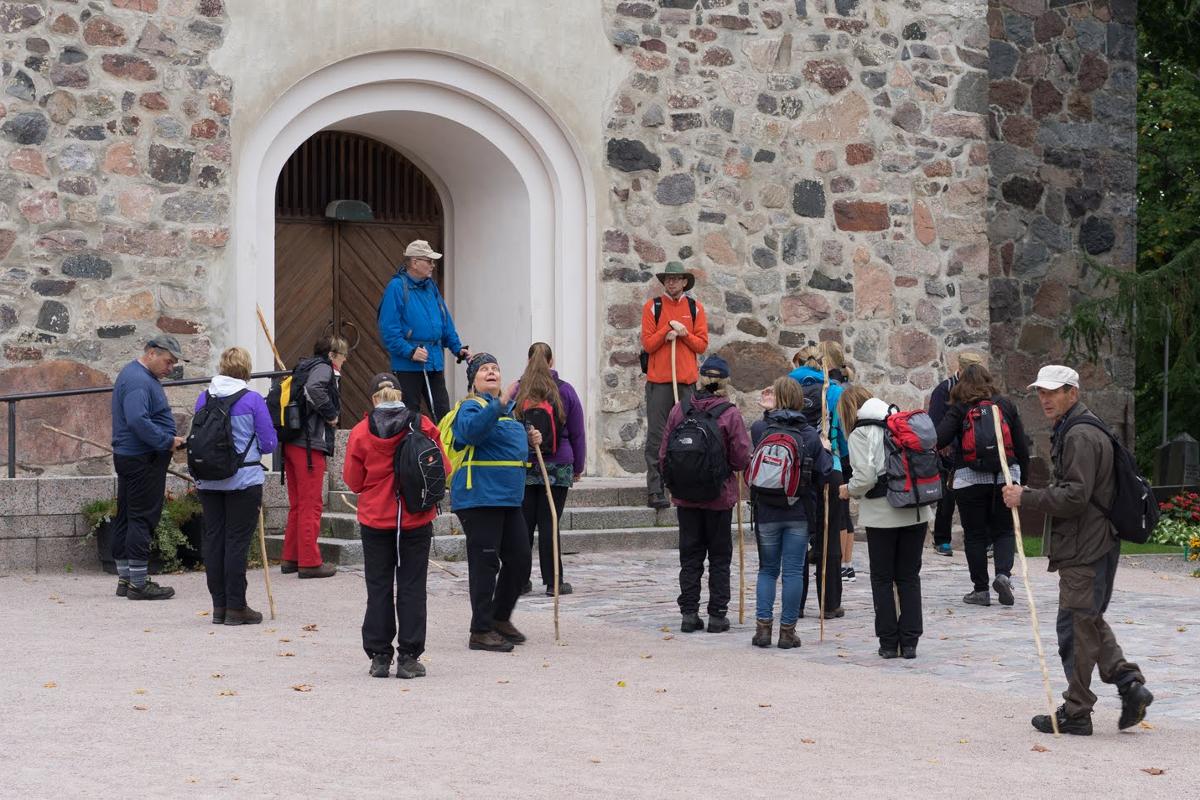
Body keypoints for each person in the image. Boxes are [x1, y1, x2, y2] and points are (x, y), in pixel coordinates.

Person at [1002, 365, 1153, 735]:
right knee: (1085, 621)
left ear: (1073, 392)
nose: (1045, 399)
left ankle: (1078, 710)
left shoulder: (1081, 434)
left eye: (1053, 391)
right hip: (1090, 542)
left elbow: (1075, 496)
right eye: (1041, 392)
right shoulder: (1079, 427)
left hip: (1087, 544)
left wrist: (1026, 496)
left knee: (1074, 628)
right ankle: (1129, 684)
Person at [343, 373, 449, 679]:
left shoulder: (362, 431)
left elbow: (353, 480)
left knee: (378, 587)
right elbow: (443, 468)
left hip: (376, 518)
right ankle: (408, 657)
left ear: (373, 398)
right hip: (415, 517)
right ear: (402, 394)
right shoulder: (423, 424)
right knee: (412, 587)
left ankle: (379, 656)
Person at [450, 353, 540, 652]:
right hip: (479, 498)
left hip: (508, 498)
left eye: (495, 369)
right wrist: (499, 405)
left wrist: (530, 440)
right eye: (484, 369)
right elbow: (471, 433)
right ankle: (481, 630)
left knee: (520, 559)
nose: (491, 372)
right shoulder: (470, 407)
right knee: (485, 563)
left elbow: (505, 448)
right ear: (473, 380)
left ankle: (500, 618)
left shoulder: (510, 412)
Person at [839, 384, 935, 659]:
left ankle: (888, 642)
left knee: (882, 578)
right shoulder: (898, 420)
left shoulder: (861, 431)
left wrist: (849, 489)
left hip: (882, 514)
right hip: (915, 509)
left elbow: (866, 478)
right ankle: (911, 641)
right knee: (908, 576)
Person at [659, 355, 751, 633]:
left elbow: (664, 453)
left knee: (690, 557)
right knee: (719, 557)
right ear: (725, 382)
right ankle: (717, 615)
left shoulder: (680, 409)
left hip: (685, 497)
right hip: (719, 496)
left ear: (700, 378)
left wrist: (675, 482)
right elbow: (741, 456)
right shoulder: (729, 413)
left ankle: (689, 613)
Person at [192, 346, 278, 625]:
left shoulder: (202, 398)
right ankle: (237, 608)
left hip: (208, 481)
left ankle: (219, 607)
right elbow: (268, 443)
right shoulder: (252, 400)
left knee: (214, 541)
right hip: (243, 481)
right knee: (236, 543)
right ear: (246, 371)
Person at [934, 363, 1030, 607]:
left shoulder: (959, 407)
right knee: (1004, 530)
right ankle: (1003, 575)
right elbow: (1020, 445)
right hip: (1005, 476)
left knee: (974, 535)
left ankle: (981, 590)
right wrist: (1022, 479)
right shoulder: (1005, 404)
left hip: (969, 478)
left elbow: (940, 438)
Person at [749, 376, 832, 649]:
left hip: (765, 511)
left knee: (767, 570)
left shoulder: (760, 428)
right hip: (798, 510)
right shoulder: (809, 434)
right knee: (793, 572)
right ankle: (787, 632)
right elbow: (824, 473)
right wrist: (826, 450)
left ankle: (762, 629)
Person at [111, 335, 187, 600]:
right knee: (141, 517)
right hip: (142, 457)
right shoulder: (138, 380)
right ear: (152, 353)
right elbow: (137, 420)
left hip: (133, 456)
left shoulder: (136, 376)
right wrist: (167, 441)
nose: (170, 369)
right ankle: (139, 584)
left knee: (128, 515)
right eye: (168, 362)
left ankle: (126, 578)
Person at [513, 342, 586, 597]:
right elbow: (577, 433)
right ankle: (554, 582)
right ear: (552, 361)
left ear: (528, 360)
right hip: (558, 465)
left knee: (524, 525)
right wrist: (578, 467)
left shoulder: (518, 391)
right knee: (549, 523)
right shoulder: (565, 391)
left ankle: (520, 581)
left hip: (526, 464)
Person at [377, 239, 470, 421]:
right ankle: (410, 449)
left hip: (434, 361)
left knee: (443, 413)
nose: (433, 266)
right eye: (429, 261)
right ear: (414, 262)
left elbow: (445, 321)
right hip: (408, 365)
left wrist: (457, 348)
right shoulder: (396, 287)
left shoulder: (430, 287)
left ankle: (443, 448)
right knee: (409, 415)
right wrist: (410, 352)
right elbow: (388, 329)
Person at [642, 261, 709, 510]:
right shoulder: (653, 307)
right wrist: (665, 332)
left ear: (684, 282)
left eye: (676, 278)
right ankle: (655, 489)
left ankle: (684, 486)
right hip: (659, 382)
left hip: (685, 382)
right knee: (657, 437)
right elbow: (648, 344)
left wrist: (684, 334)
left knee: (688, 435)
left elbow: (701, 345)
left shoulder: (695, 308)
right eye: (667, 279)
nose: (671, 282)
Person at [280, 336, 346, 579]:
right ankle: (308, 561)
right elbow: (314, 390)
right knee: (311, 503)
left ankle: (291, 557)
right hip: (309, 444)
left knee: (298, 504)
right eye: (341, 354)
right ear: (331, 354)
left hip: (293, 442)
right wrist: (331, 415)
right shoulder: (323, 369)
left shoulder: (304, 367)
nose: (344, 359)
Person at [789, 343, 846, 619]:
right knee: (829, 535)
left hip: (796, 469)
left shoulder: (787, 388)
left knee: (798, 535)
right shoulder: (834, 391)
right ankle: (830, 603)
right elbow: (844, 436)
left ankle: (795, 604)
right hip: (829, 467)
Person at [928, 351, 985, 557]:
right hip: (950, 453)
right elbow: (935, 420)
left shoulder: (985, 393)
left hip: (977, 452)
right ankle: (942, 539)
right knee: (947, 498)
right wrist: (945, 445)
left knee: (978, 497)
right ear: (960, 369)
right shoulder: (944, 390)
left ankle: (983, 540)